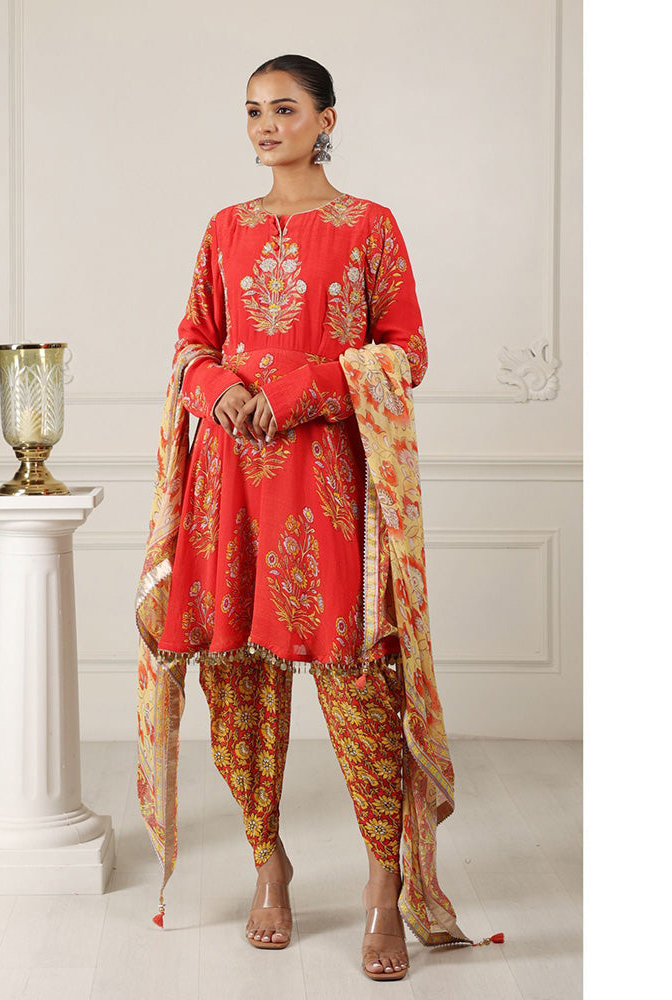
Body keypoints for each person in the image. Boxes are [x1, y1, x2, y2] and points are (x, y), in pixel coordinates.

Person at [136, 53, 501, 983]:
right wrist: (216, 386)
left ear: (326, 118)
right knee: (235, 674)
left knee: (356, 676)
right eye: (253, 110)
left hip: (325, 479)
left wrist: (298, 391)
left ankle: (384, 885)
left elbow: (405, 352)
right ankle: (269, 862)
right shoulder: (224, 228)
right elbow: (191, 342)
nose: (266, 125)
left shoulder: (369, 226)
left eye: (285, 109)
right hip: (229, 480)